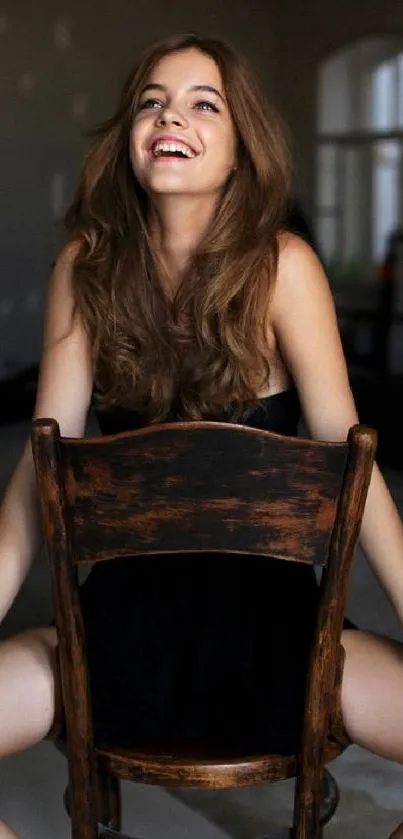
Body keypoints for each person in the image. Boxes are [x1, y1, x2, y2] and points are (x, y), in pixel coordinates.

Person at [1, 33, 403, 839]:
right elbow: (35, 472)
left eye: (200, 102)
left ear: (239, 149)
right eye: (150, 101)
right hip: (110, 643)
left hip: (291, 650)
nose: (167, 115)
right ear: (129, 139)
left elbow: (351, 461)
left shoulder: (282, 266)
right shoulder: (87, 267)